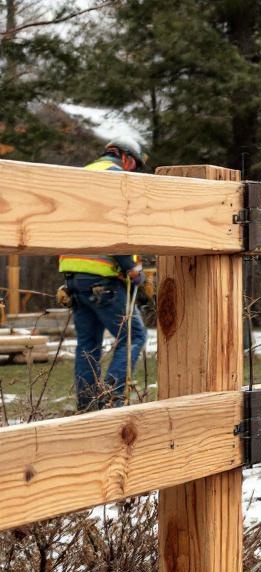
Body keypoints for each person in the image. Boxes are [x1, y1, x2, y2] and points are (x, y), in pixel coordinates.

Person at [58, 136, 151, 412]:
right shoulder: (116, 178)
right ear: (127, 158)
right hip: (102, 276)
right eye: (134, 166)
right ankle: (111, 397)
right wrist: (132, 268)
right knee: (133, 336)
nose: (132, 172)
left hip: (74, 276)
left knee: (88, 346)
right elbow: (115, 228)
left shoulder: (81, 175)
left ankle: (87, 405)